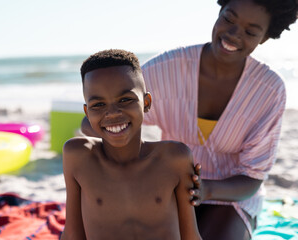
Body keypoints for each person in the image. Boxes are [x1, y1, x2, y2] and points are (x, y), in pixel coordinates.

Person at [140, 0, 298, 239]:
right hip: (169, 191)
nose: (233, 34)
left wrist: (207, 190)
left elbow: (252, 179)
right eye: (228, 19)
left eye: (251, 31)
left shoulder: (269, 91)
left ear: (264, 37)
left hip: (232, 198)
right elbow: (117, 114)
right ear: (219, 11)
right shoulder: (167, 68)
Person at [61, 49, 201, 240]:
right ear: (87, 111)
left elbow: (191, 236)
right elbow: (72, 234)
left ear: (146, 102)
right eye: (98, 105)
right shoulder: (78, 156)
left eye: (125, 100)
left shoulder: (174, 158)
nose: (112, 113)